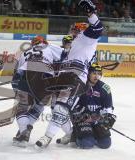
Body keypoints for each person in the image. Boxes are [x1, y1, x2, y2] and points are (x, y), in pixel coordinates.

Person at [35, 0, 104, 148]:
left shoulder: (86, 39)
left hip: (75, 78)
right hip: (65, 77)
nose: (72, 32)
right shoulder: (74, 47)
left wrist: (91, 13)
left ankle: (47, 136)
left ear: (81, 30)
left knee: (61, 107)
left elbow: (98, 28)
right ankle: (70, 133)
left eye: (74, 30)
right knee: (55, 106)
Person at [12, 35, 64, 147]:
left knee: (21, 108)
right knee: (38, 107)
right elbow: (65, 55)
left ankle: (24, 131)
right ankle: (26, 129)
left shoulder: (26, 51)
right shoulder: (49, 46)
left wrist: (16, 87)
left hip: (26, 76)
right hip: (45, 79)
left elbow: (18, 71)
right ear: (43, 42)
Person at [57, 63, 116, 149]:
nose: (97, 76)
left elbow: (108, 108)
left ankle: (91, 134)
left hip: (97, 120)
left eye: (99, 74)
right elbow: (71, 106)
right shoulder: (79, 86)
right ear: (88, 73)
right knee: (87, 143)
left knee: (105, 144)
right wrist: (82, 115)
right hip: (82, 119)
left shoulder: (105, 88)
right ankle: (75, 135)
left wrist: (107, 118)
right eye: (94, 73)